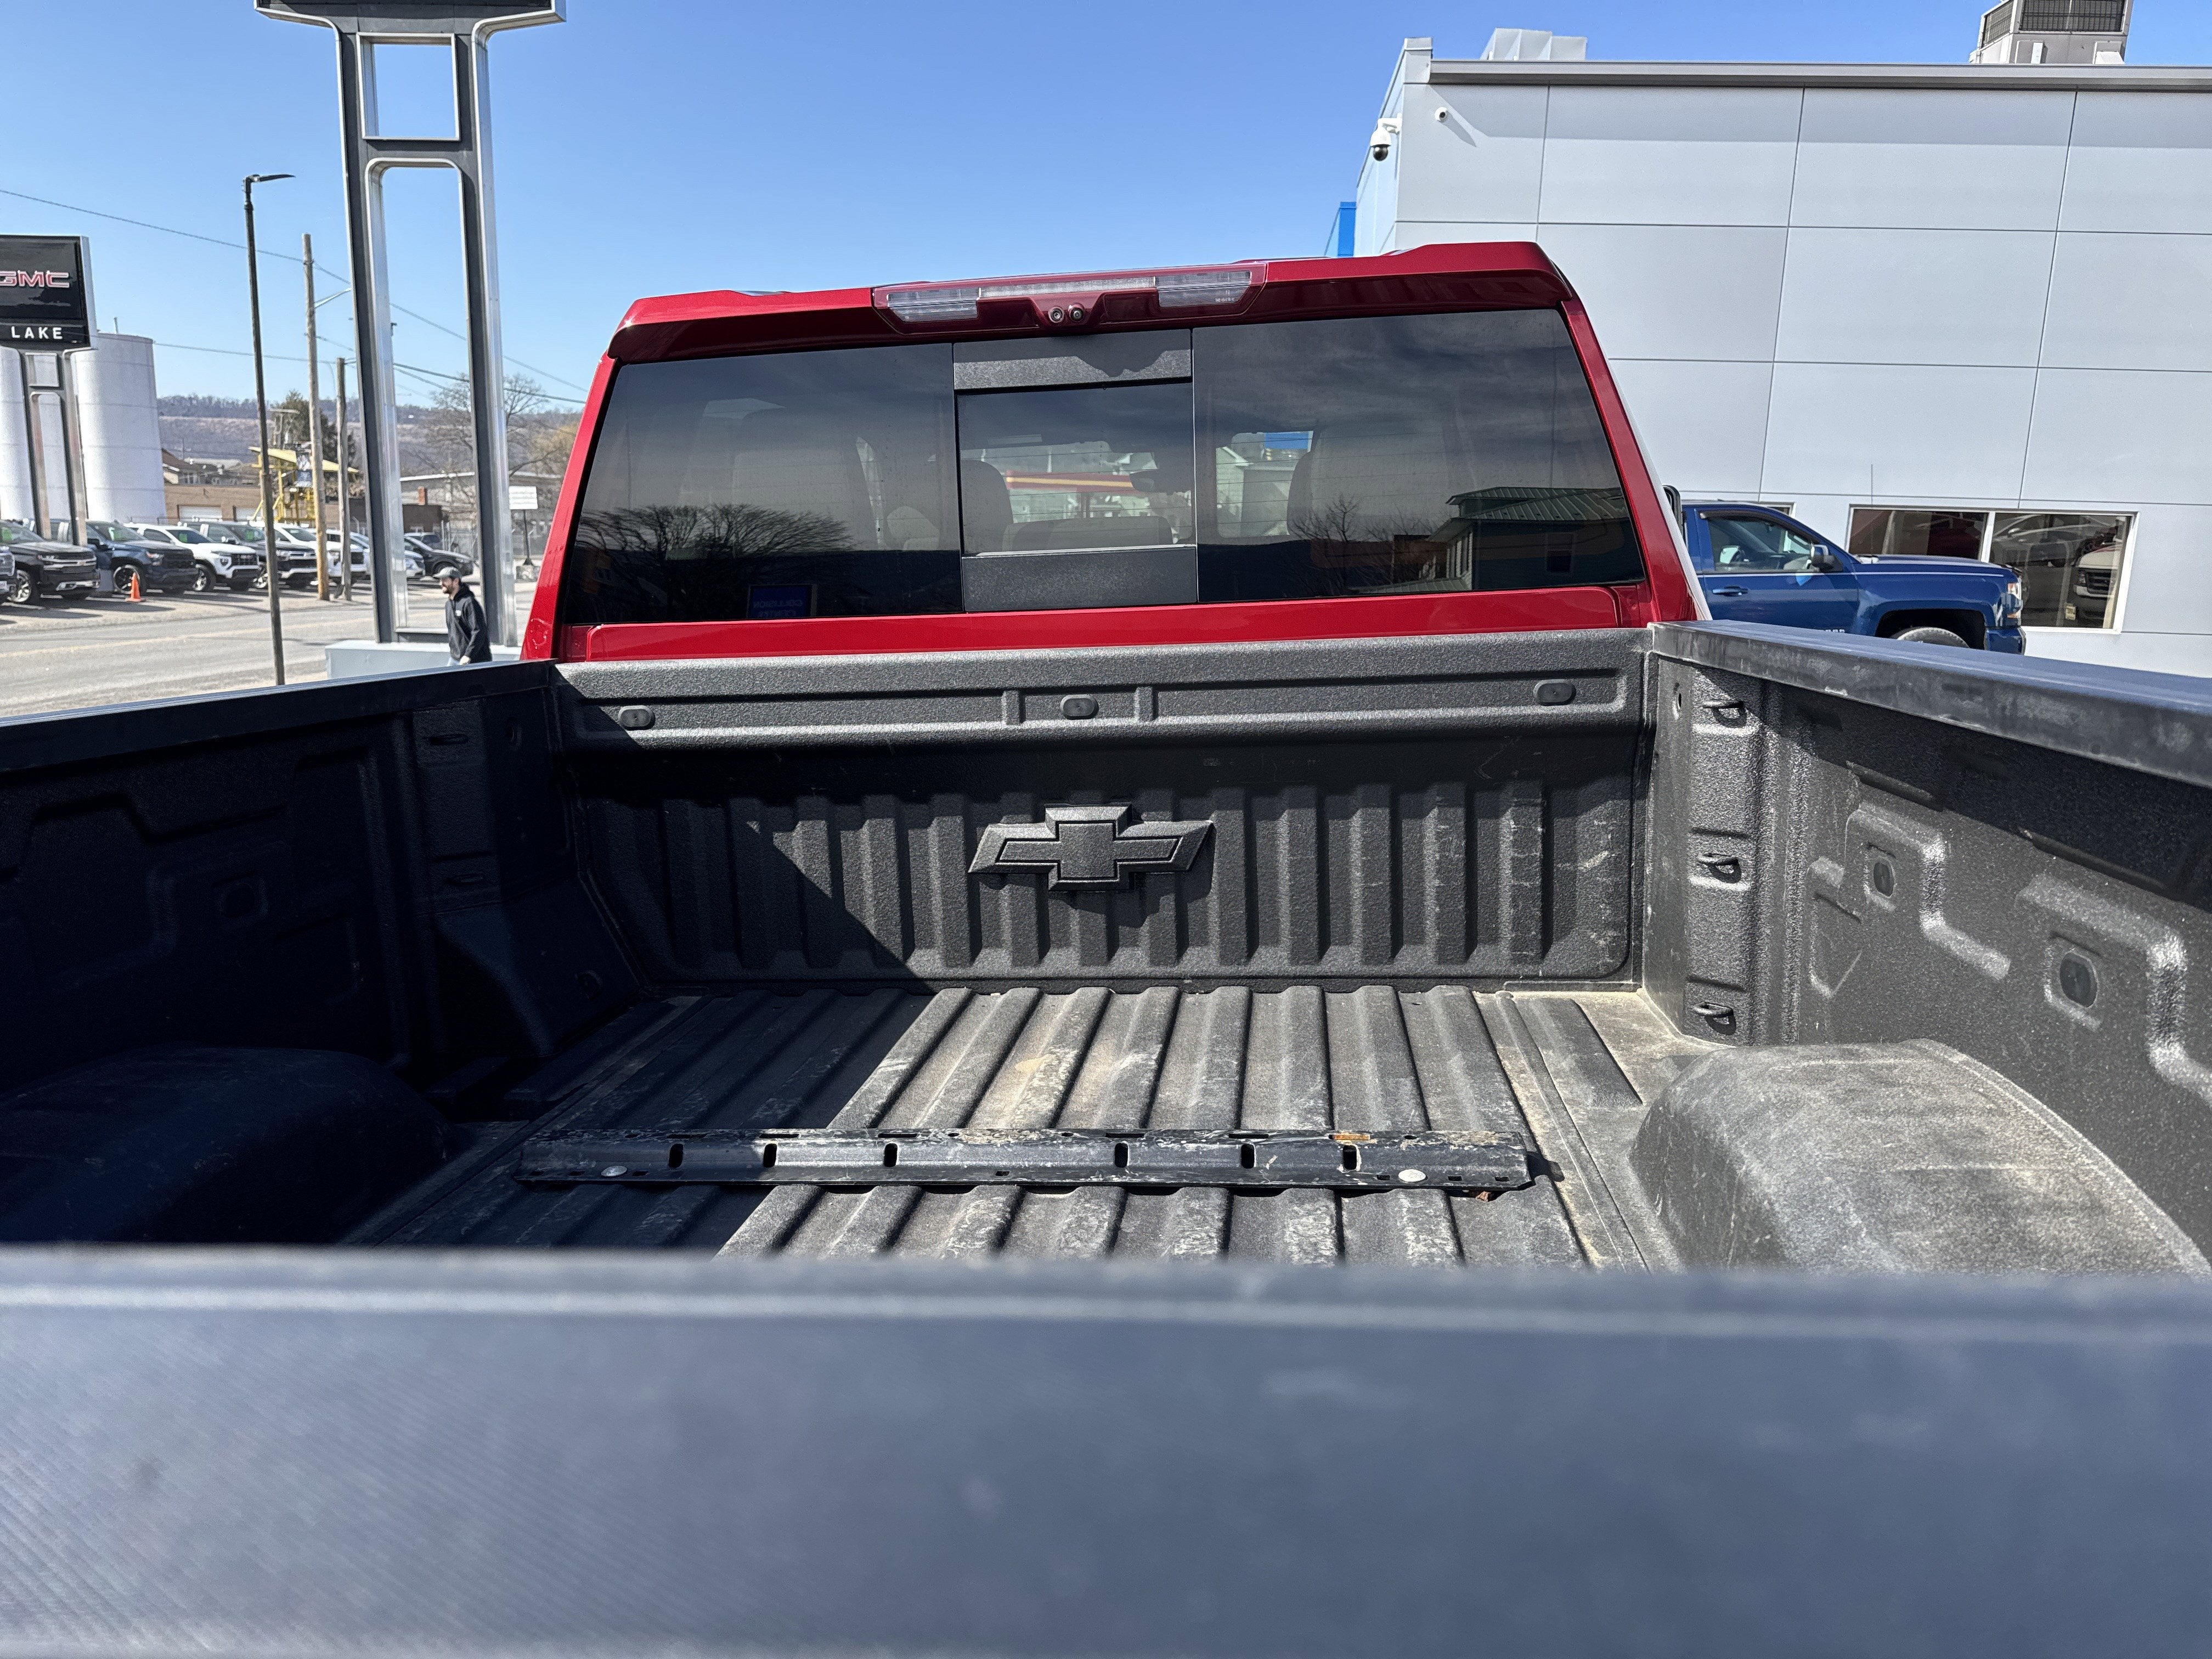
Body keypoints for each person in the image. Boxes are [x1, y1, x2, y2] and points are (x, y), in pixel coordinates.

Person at [440, 570, 492, 664]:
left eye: (445, 580)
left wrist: (468, 655)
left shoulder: (469, 603)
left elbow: (479, 631)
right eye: (440, 580)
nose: (441, 584)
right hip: (455, 659)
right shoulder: (448, 604)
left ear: (456, 581)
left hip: (474, 661)